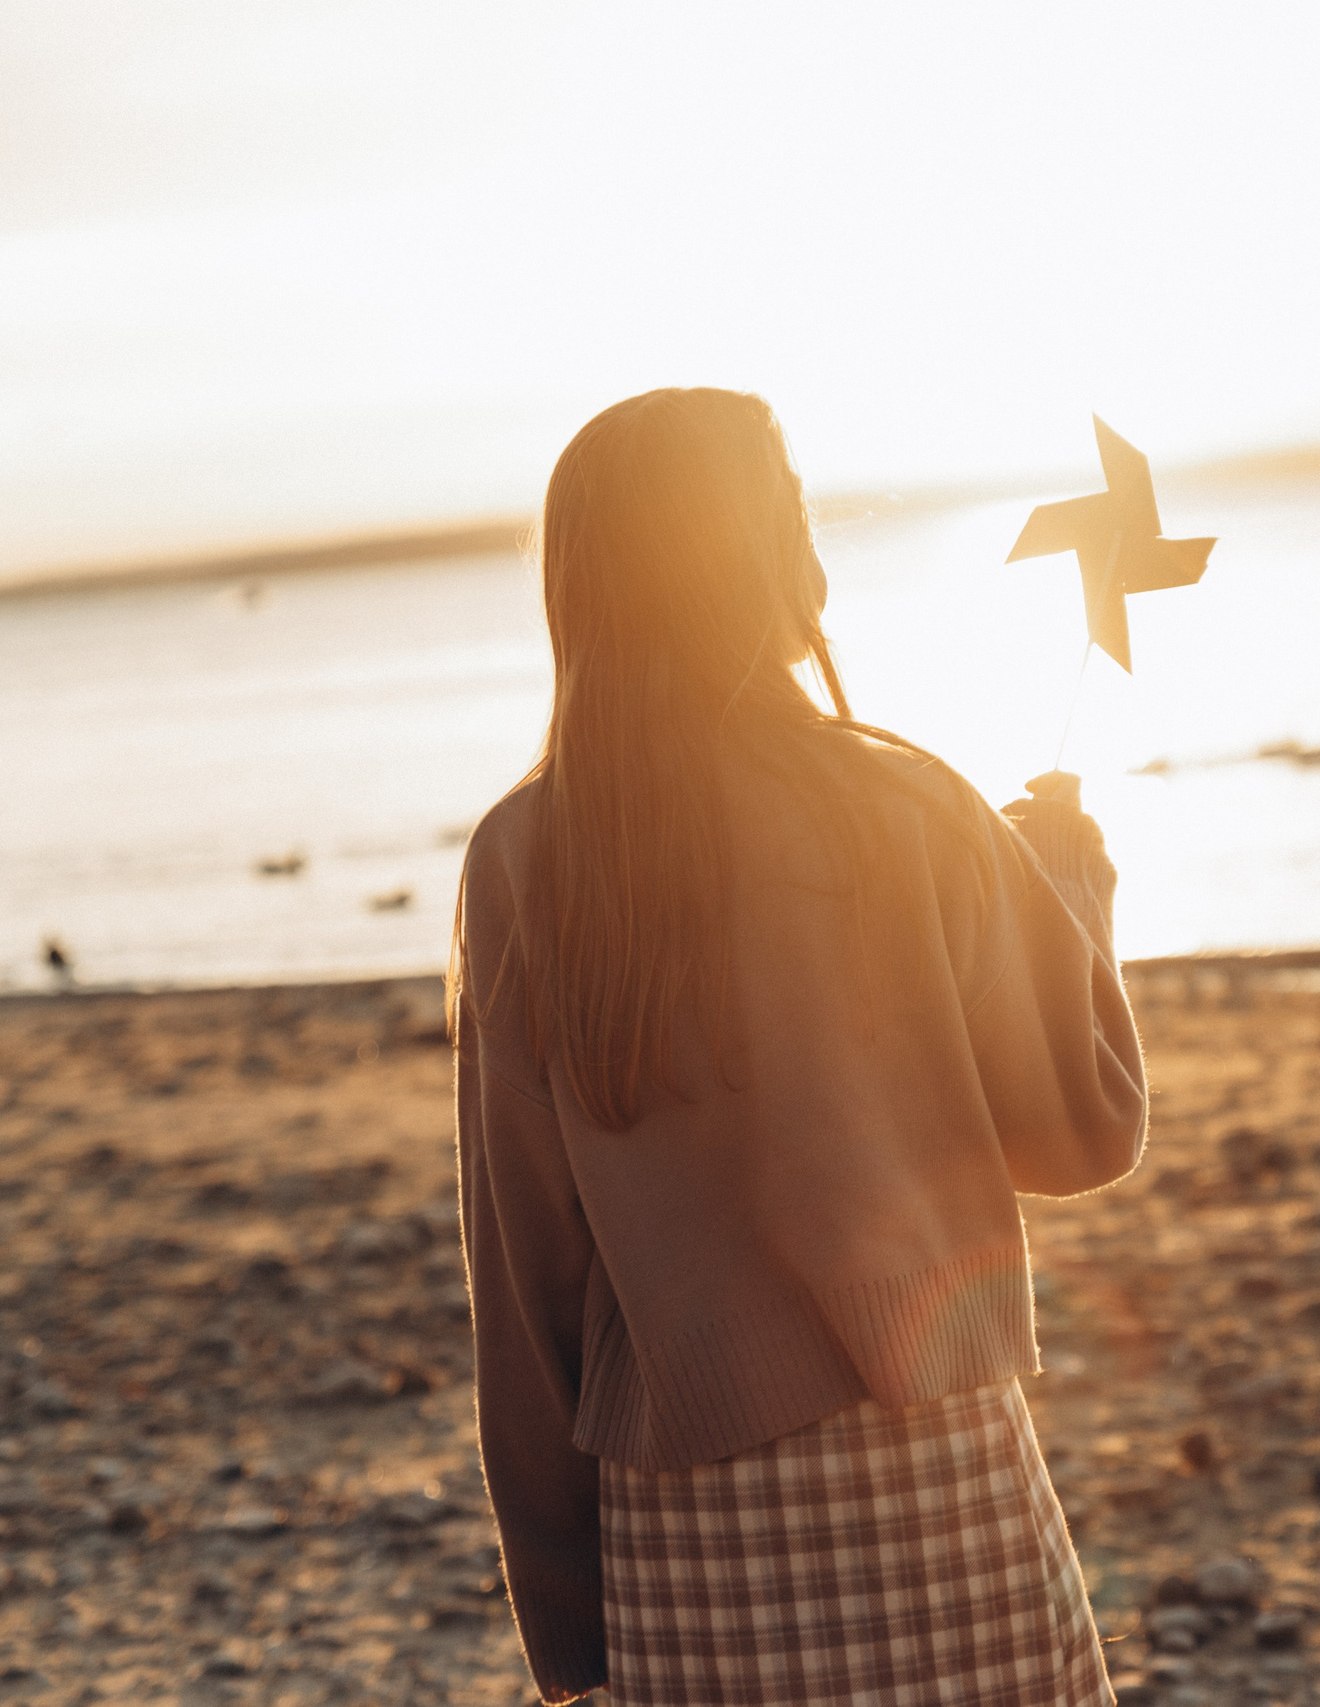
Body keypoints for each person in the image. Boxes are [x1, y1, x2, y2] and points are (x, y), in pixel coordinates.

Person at [451, 388, 1146, 1706]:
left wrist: (568, 1629)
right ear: (761, 559)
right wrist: (1070, 896)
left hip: (683, 1535)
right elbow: (1084, 1127)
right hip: (943, 1484)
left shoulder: (526, 860)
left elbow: (523, 1273)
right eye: (796, 521)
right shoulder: (905, 802)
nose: (818, 556)